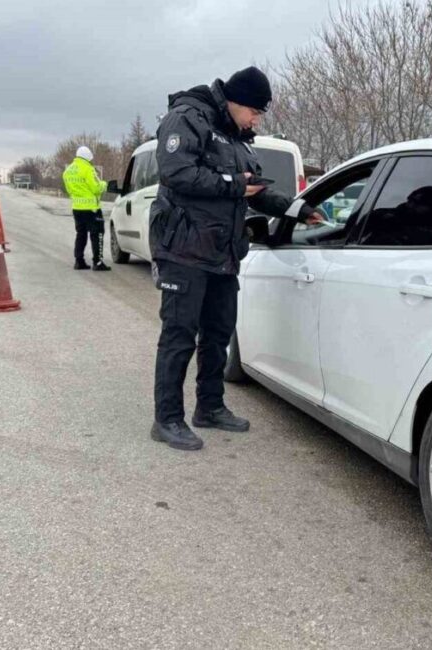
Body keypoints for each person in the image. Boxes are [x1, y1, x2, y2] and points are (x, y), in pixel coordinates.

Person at [148, 66, 322, 451]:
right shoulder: (188, 118)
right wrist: (234, 185)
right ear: (235, 100)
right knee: (179, 335)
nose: (257, 119)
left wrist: (296, 209)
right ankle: (168, 419)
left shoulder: (238, 139)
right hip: (184, 248)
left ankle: (209, 407)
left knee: (218, 332)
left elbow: (254, 191)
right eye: (255, 111)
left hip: (222, 252)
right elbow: (177, 173)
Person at [62, 145, 111, 271]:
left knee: (81, 234)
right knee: (97, 234)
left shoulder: (68, 171)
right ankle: (98, 262)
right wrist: (104, 185)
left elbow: (68, 190)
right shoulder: (88, 168)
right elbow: (95, 187)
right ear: (88, 157)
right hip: (92, 209)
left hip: (77, 208)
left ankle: (79, 261)